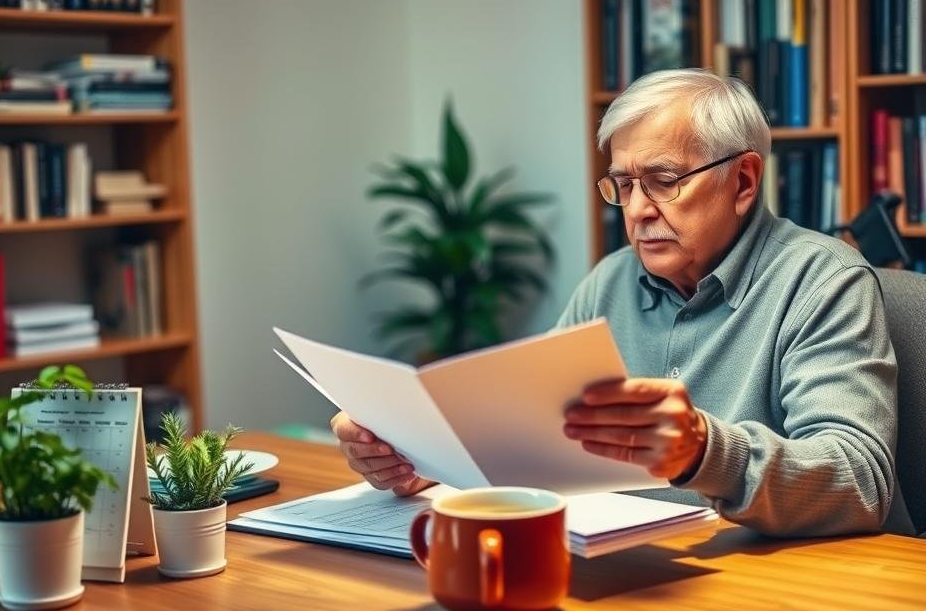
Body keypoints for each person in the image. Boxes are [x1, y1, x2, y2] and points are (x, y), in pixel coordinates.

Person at [331, 69, 897, 537]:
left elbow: (860, 480)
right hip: (630, 572)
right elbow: (530, 434)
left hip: (779, 593)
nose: (637, 211)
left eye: (663, 181)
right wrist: (418, 463)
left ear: (743, 182)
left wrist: (704, 451)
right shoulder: (609, 282)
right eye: (623, 185)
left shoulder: (824, 282)